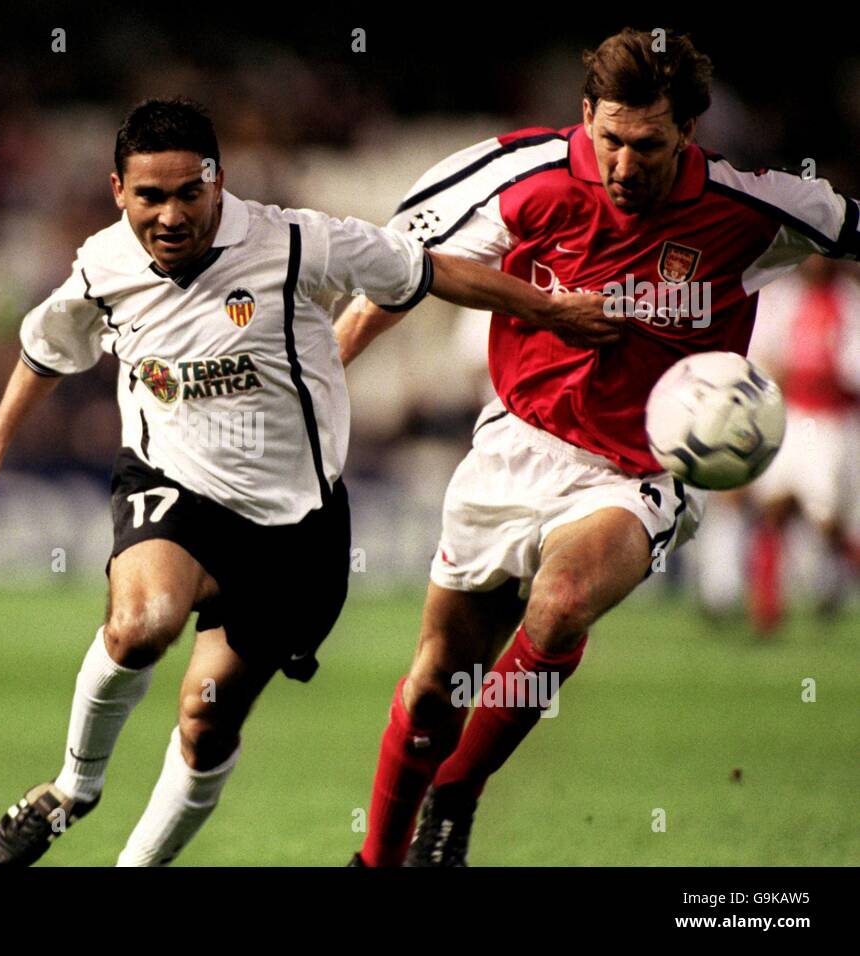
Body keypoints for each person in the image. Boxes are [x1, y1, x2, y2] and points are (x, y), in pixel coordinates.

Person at [0, 97, 606, 866]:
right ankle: (73, 789)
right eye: (150, 196)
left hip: (295, 531)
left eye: (189, 192)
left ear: (218, 183)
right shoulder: (103, 265)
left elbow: (428, 271)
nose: (171, 215)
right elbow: (51, 346)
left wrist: (549, 310)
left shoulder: (294, 242)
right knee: (141, 625)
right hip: (172, 487)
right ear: (117, 190)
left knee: (206, 720)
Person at [337, 28, 860, 866]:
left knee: (562, 602)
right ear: (586, 116)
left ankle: (458, 791)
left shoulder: (754, 207)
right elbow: (404, 268)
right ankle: (377, 861)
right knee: (436, 686)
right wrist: (321, 378)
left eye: (647, 145)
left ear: (688, 131)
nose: (623, 164)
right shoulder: (523, 175)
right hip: (516, 442)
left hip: (639, 470)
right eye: (609, 139)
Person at [745, 255, 860, 633]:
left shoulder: (849, 303)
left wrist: (814, 374)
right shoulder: (784, 298)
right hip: (792, 417)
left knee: (827, 522)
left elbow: (848, 372)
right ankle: (767, 612)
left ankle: (837, 584)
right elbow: (763, 354)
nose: (815, 262)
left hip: (831, 423)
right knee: (773, 510)